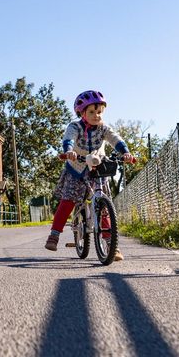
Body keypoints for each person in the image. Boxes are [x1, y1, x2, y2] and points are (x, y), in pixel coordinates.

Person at [44, 90, 136, 260]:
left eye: (99, 111)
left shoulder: (103, 128)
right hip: (77, 167)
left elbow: (115, 139)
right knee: (68, 201)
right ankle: (54, 235)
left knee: (103, 208)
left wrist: (126, 152)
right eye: (92, 112)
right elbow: (68, 139)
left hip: (98, 166)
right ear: (82, 113)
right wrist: (69, 151)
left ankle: (110, 244)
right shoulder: (75, 126)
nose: (96, 115)